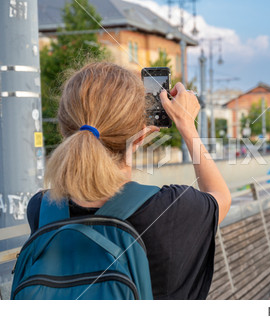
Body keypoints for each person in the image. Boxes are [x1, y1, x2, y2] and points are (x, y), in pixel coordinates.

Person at [26, 62, 231, 299]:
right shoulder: (170, 209)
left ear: (64, 130)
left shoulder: (42, 209)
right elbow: (221, 196)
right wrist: (187, 126)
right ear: (141, 137)